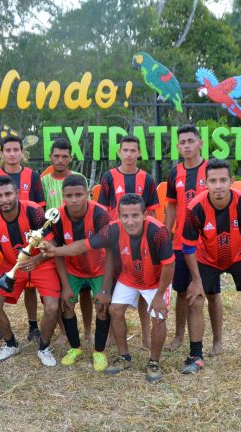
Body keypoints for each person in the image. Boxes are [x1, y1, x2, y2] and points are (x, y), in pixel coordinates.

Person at [43, 193, 174, 383]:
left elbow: (169, 265)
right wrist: (56, 251)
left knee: (159, 318)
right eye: (125, 216)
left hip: (155, 280)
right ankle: (124, 357)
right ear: (118, 216)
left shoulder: (158, 231)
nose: (130, 221)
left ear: (145, 214)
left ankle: (154, 362)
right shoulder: (112, 229)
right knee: (114, 310)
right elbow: (83, 246)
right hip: (129, 277)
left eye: (135, 215)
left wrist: (160, 295)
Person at [181, 158, 241, 374]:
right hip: (207, 257)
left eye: (223, 180)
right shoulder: (195, 208)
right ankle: (195, 356)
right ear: (205, 183)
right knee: (195, 300)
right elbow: (187, 248)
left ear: (231, 181)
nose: (218, 186)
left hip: (239, 255)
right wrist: (196, 281)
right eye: (213, 180)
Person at [0, 175, 61, 366]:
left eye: (8, 194)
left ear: (17, 193)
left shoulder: (33, 211)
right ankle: (11, 343)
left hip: (42, 263)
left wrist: (38, 258)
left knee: (52, 307)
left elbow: (53, 243)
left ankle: (43, 347)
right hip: (12, 265)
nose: (4, 199)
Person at [164, 125, 223, 356]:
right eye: (183, 142)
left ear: (200, 143)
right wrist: (166, 235)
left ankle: (217, 341)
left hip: (207, 245)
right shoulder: (174, 173)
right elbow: (171, 205)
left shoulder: (211, 169)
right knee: (180, 291)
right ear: (178, 147)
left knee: (211, 293)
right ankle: (179, 336)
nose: (187, 145)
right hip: (180, 243)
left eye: (191, 140)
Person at [98, 135, 160, 350]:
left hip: (141, 242)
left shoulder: (148, 179)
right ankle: (112, 336)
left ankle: (146, 336)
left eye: (133, 150)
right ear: (119, 152)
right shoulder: (108, 177)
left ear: (139, 153)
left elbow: (151, 211)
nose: (129, 154)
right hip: (116, 241)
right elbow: (104, 211)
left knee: (142, 286)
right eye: (125, 150)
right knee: (112, 286)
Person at [0, 135, 46, 343]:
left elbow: (40, 209)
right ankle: (0, 329)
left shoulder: (32, 175)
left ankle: (33, 325)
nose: (11, 154)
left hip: (29, 239)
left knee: (31, 285)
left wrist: (35, 237)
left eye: (15, 150)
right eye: (7, 150)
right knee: (3, 281)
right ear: (2, 153)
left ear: (22, 152)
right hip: (3, 241)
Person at [48, 175, 113, 371]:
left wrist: (106, 288)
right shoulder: (56, 217)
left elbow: (111, 252)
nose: (74, 199)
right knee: (67, 304)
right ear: (63, 196)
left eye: (79, 194)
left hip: (99, 268)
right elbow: (56, 252)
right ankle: (75, 348)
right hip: (72, 268)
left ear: (88, 194)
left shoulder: (101, 214)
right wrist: (66, 287)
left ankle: (99, 351)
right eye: (69, 195)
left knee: (103, 307)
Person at [41, 139, 94, 343]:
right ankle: (64, 332)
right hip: (55, 241)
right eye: (57, 156)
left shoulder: (79, 178)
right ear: (51, 157)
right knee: (63, 288)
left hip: (79, 242)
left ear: (70, 157)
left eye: (65, 156)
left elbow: (86, 206)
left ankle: (88, 331)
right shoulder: (44, 181)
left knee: (86, 291)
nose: (61, 160)